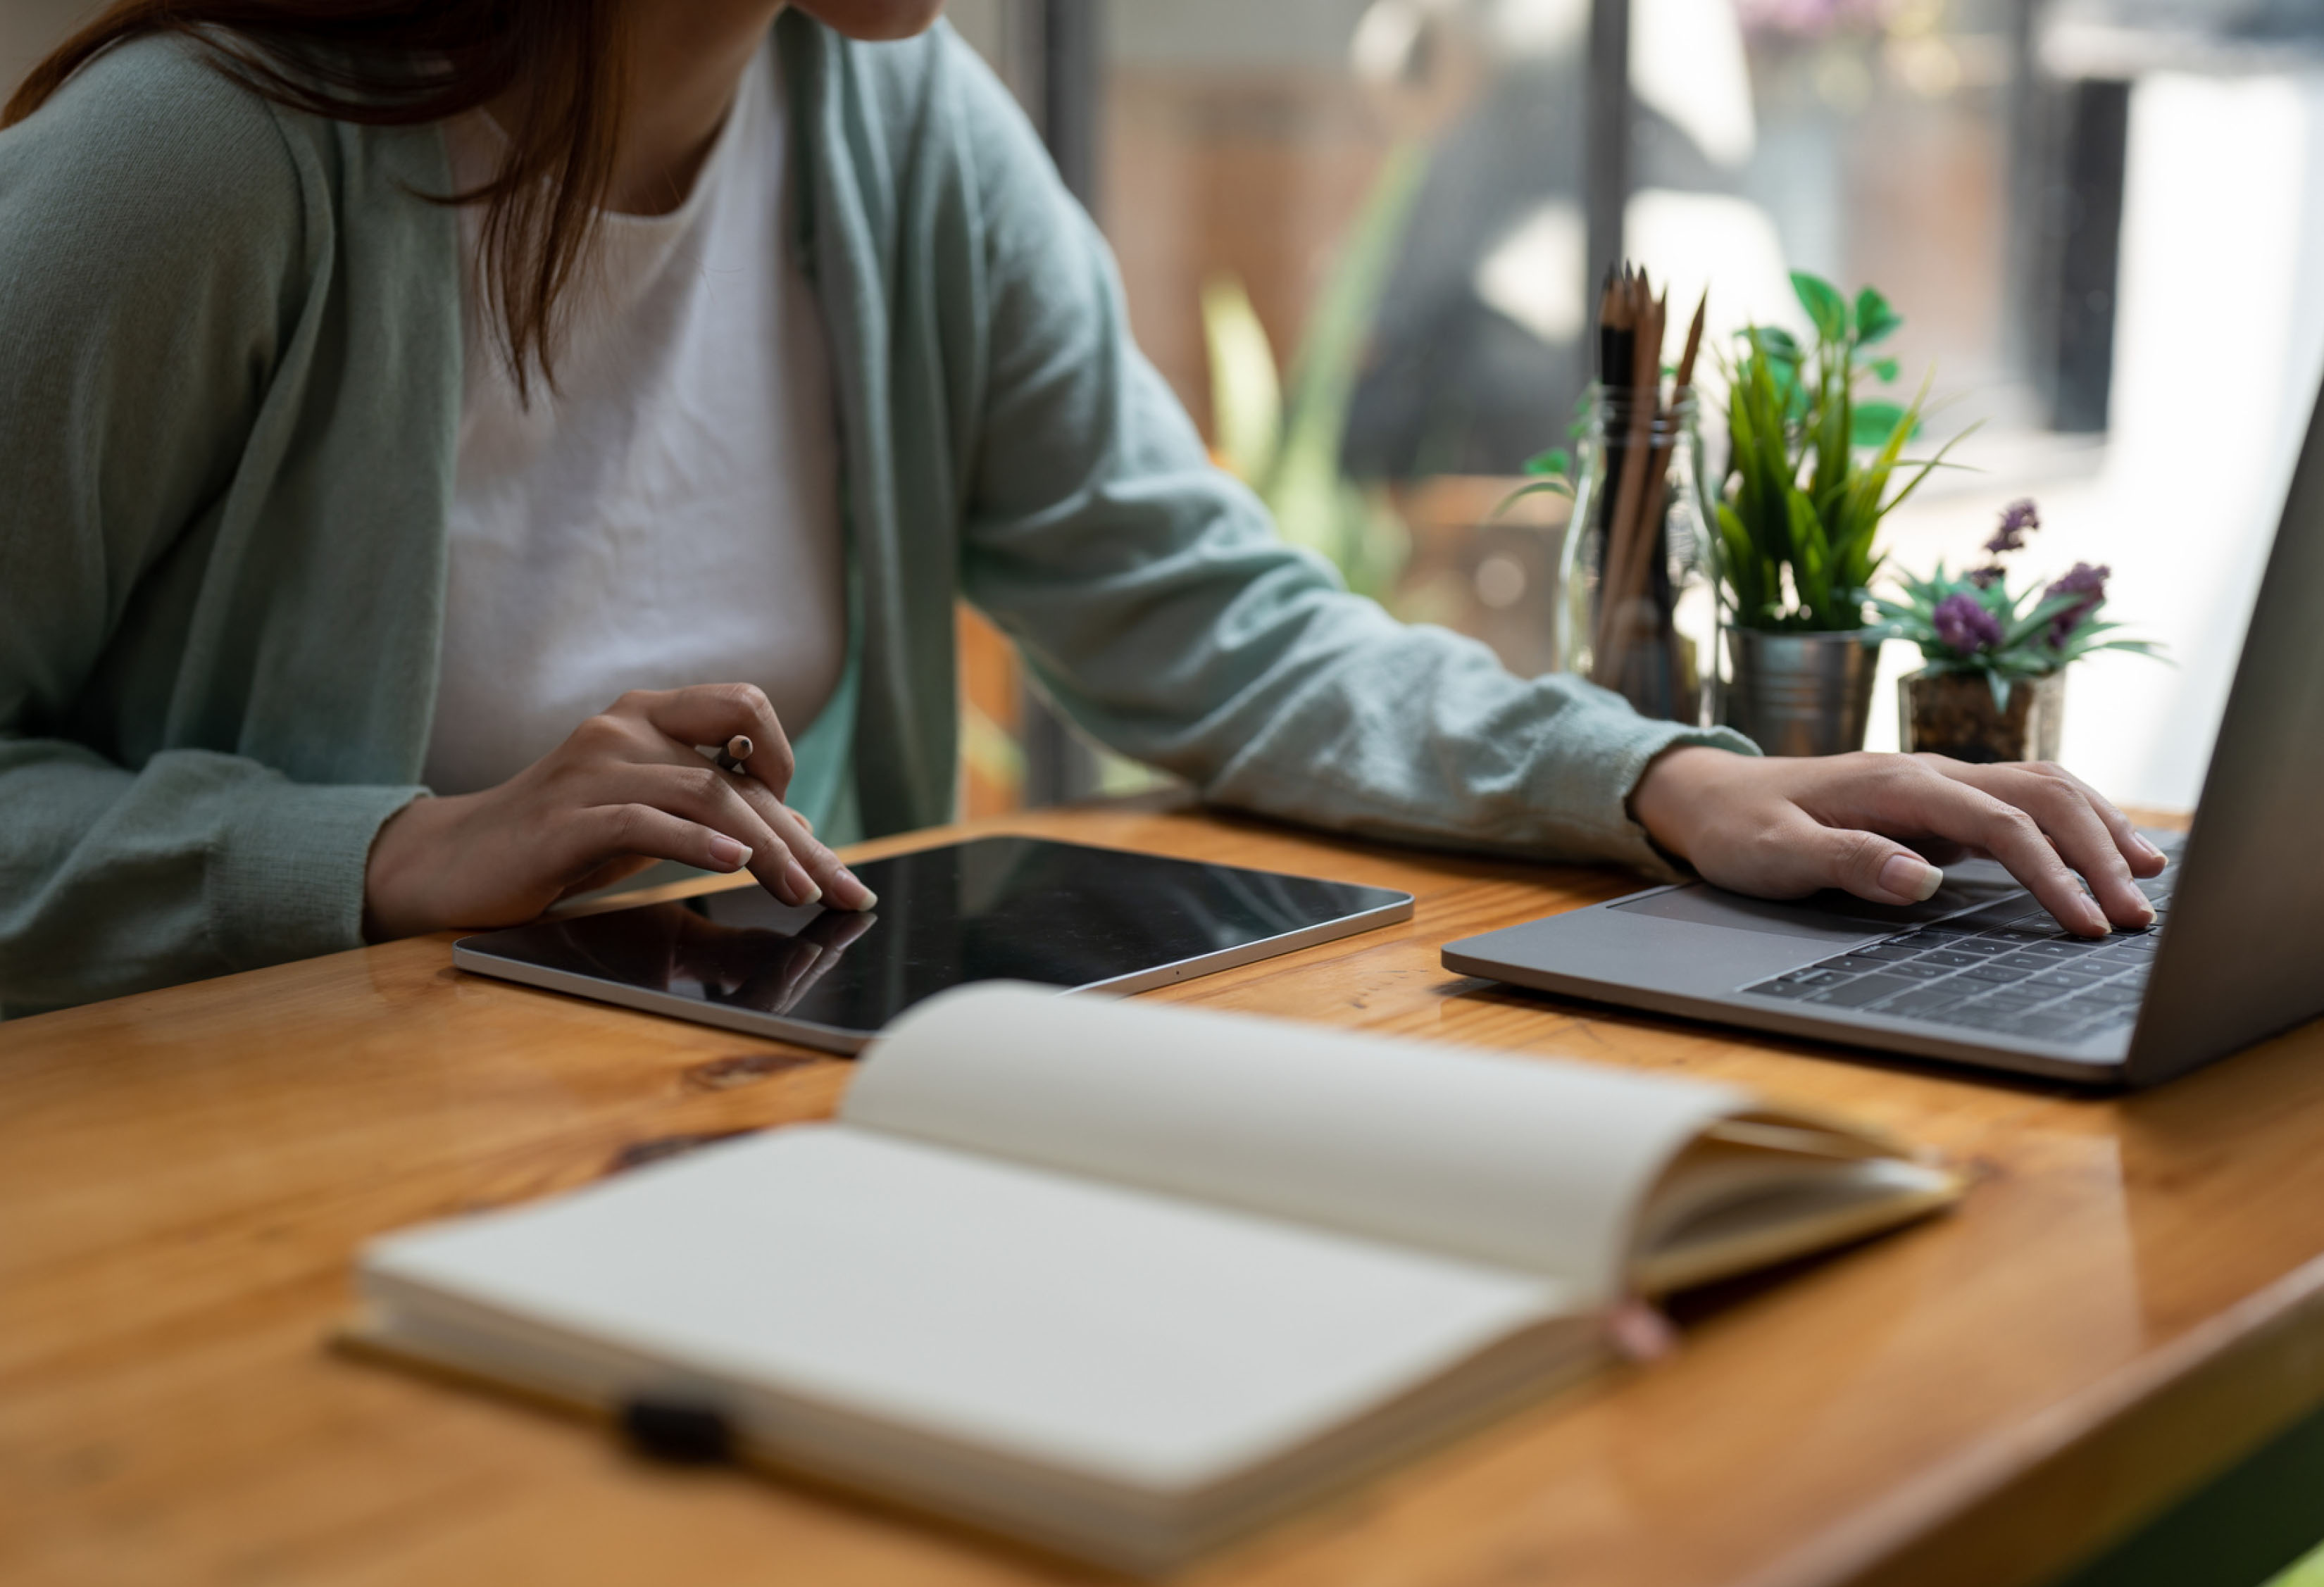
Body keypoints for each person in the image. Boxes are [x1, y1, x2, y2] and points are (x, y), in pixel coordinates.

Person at [0, 0, 2163, 1017]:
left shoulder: (898, 127)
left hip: (688, 1151)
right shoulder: (204, 166)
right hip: (205, 1209)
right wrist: (390, 854)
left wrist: (1658, 782)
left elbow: (1206, 609)